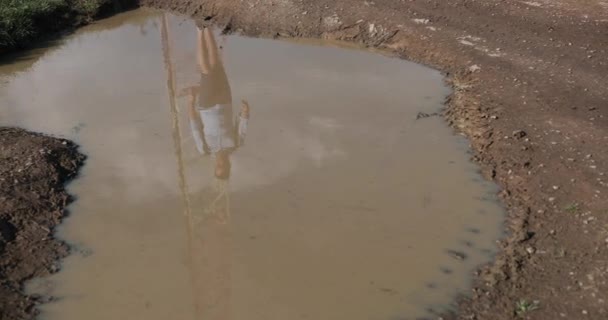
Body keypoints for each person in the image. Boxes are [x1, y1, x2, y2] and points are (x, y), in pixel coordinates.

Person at [185, 27, 250, 181]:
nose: (222, 165)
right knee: (216, 65)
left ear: (215, 167)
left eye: (219, 168)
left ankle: (199, 31)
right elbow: (242, 124)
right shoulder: (235, 144)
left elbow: (194, 125)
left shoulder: (205, 149)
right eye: (225, 167)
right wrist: (246, 112)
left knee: (206, 71)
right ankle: (207, 28)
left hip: (206, 105)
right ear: (229, 166)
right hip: (224, 100)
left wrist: (191, 102)